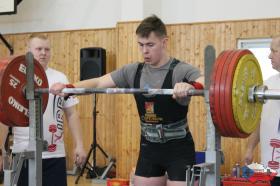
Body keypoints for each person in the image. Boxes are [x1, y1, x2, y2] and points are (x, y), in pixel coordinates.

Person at [51, 15, 204, 186]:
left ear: (164, 42)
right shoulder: (133, 71)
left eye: (150, 45)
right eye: (141, 45)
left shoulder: (180, 70)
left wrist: (190, 87)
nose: (145, 51)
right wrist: (70, 87)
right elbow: (100, 82)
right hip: (149, 148)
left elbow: (204, 81)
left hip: (178, 149)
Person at [0, 33, 87, 186]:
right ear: (29, 50)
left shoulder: (60, 78)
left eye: (47, 49)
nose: (43, 53)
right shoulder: (17, 77)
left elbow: (72, 113)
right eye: (38, 49)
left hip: (55, 155)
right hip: (23, 154)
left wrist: (79, 144)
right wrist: (0, 150)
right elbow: (5, 118)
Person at [244, 35, 280, 186]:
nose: (269, 55)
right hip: (269, 172)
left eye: (274, 51)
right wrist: (250, 148)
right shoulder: (267, 85)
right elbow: (261, 120)